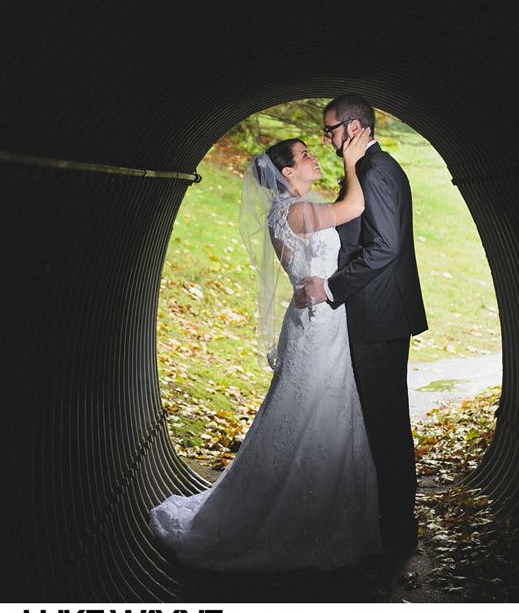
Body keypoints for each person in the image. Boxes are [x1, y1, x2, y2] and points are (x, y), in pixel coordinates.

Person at [149, 130, 382, 572]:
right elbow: (353, 207)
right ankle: (301, 519)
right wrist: (352, 160)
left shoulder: (287, 209)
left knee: (318, 413)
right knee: (313, 413)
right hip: (316, 325)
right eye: (305, 156)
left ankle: (323, 511)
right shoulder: (295, 211)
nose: (315, 158)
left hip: (317, 320)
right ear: (287, 172)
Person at [299, 93, 428, 554]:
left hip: (379, 316)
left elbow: (385, 247)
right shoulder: (369, 169)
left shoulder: (376, 171)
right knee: (379, 421)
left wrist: (331, 288)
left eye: (330, 129)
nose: (326, 137)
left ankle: (397, 532)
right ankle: (388, 523)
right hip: (375, 315)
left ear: (353, 128)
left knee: (387, 424)